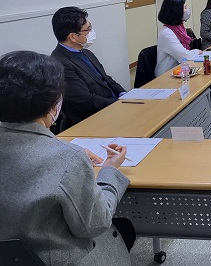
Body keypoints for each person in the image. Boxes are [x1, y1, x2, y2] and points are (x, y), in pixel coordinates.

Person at [0, 50, 134, 265]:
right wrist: (110, 170)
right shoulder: (67, 159)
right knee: (124, 228)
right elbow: (95, 224)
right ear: (54, 103)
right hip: (58, 257)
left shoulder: (64, 154)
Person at [51, 6, 126, 128]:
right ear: (73, 37)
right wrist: (119, 104)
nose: (92, 32)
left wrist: (123, 94)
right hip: (95, 119)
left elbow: (107, 79)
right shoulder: (60, 64)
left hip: (112, 107)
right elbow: (86, 101)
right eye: (88, 29)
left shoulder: (85, 52)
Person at [155, 0, 201, 76]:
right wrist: (197, 51)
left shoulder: (179, 28)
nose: (187, 11)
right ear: (176, 11)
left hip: (180, 69)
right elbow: (183, 55)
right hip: (166, 74)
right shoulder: (167, 33)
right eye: (185, 8)